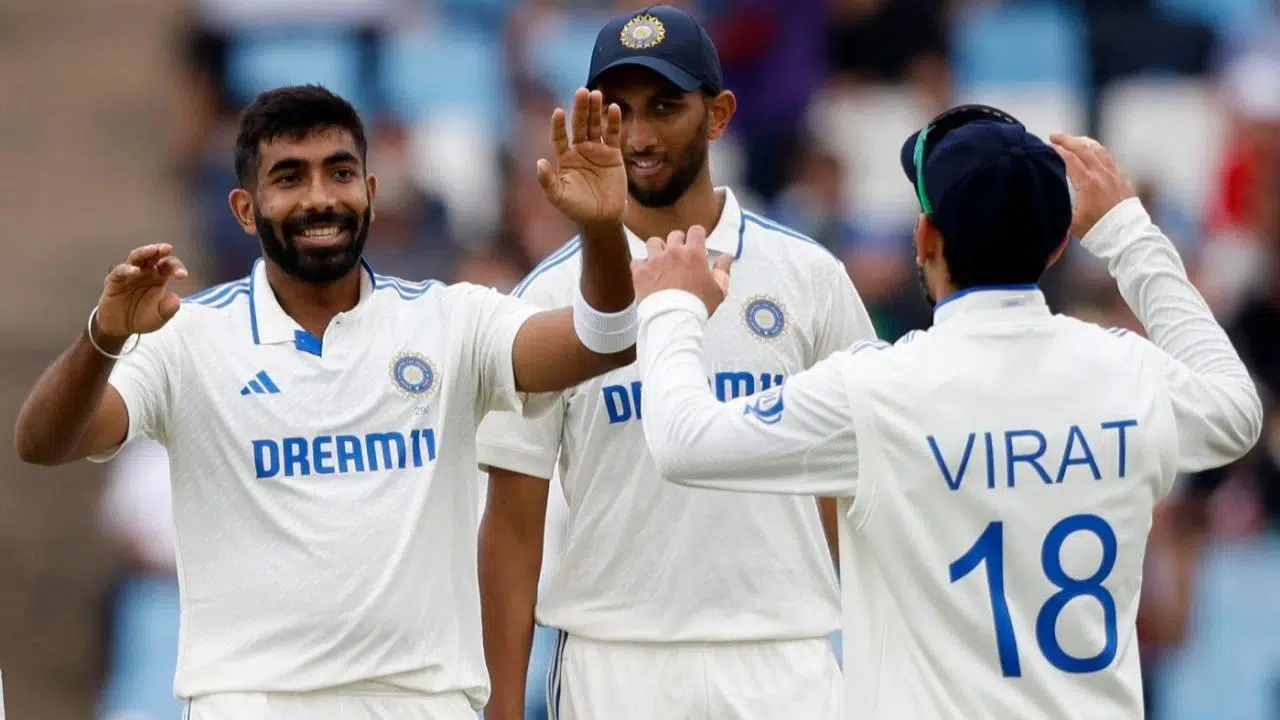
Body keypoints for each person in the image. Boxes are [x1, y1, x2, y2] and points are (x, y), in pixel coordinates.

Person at [11, 82, 685, 719]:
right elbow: (44, 442)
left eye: (338, 172)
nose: (318, 198)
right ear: (245, 210)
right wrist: (102, 337)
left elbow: (604, 342)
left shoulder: (449, 322)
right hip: (254, 703)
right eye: (289, 177)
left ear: (369, 189)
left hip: (423, 703)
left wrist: (600, 232)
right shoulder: (188, 339)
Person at [629, 104, 1263, 718]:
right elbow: (1237, 411)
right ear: (1055, 250)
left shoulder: (877, 390)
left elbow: (683, 442)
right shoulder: (1127, 373)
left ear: (925, 237)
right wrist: (1128, 231)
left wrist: (670, 307)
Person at [475, 5, 877, 719]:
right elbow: (511, 523)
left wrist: (878, 673)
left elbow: (864, 491)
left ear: (719, 114)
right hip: (615, 659)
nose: (639, 135)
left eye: (665, 107)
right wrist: (502, 710)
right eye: (618, 111)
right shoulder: (547, 296)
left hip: (783, 656)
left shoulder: (807, 276)